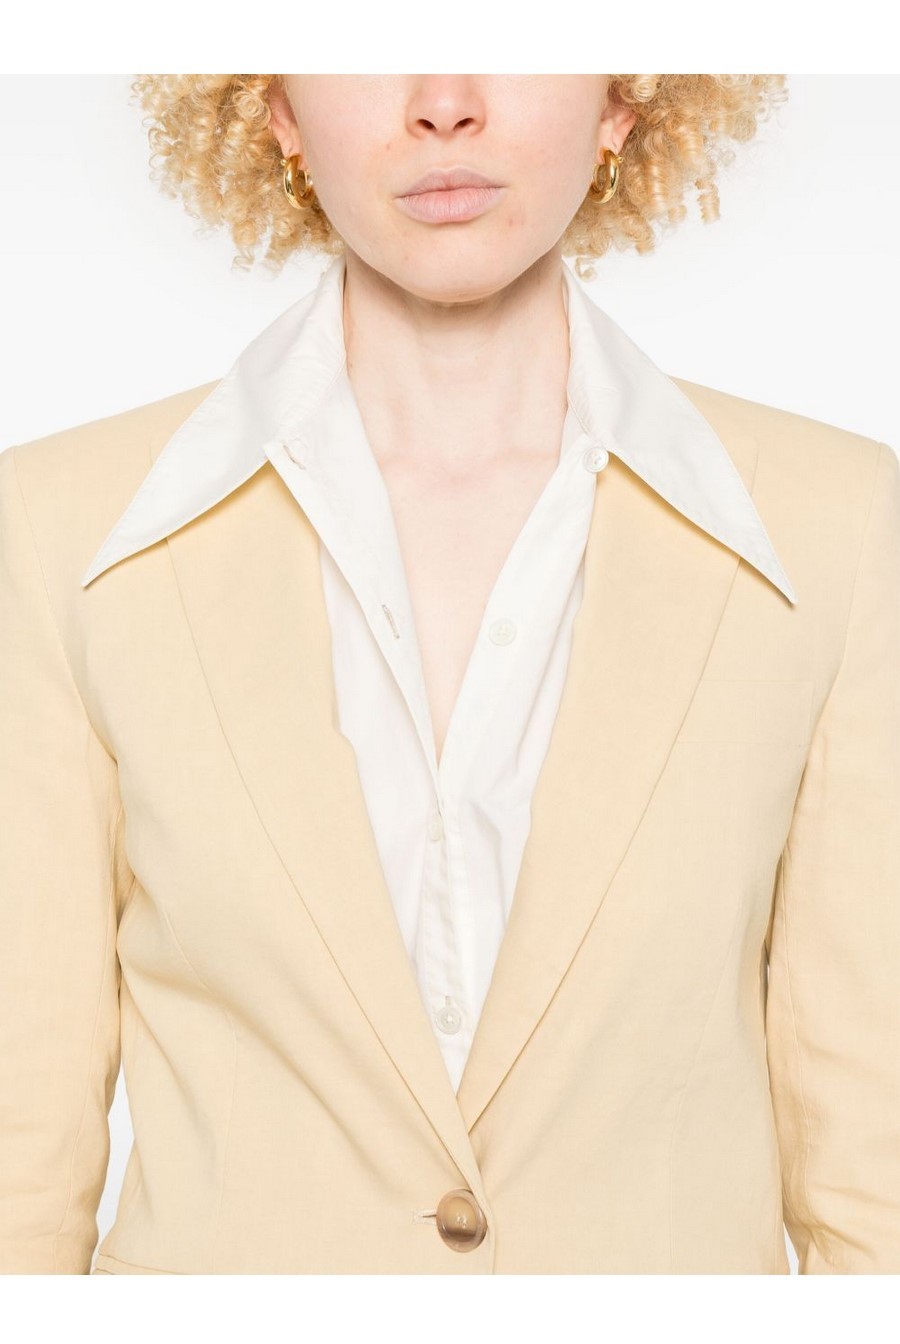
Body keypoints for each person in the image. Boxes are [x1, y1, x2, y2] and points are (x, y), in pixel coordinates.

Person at [1, 74, 897, 1276]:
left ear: (623, 97)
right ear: (275, 106)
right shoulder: (56, 529)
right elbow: (19, 1146)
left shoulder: (838, 526)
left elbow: (874, 1162)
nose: (443, 103)